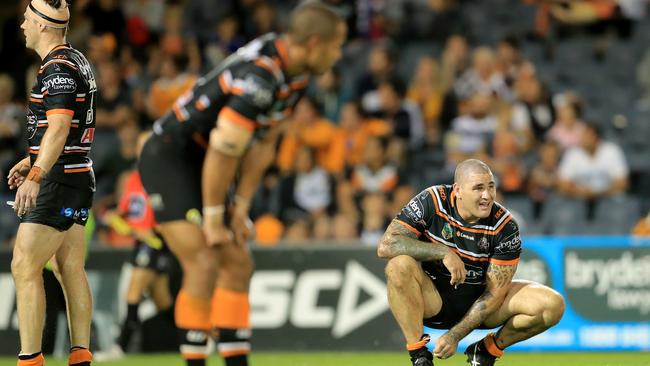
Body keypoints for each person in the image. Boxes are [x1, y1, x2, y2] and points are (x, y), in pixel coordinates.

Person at [138, 4, 346, 366]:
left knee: (238, 262)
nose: (338, 55)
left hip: (209, 160)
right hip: (170, 157)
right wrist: (216, 217)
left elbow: (264, 143)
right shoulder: (259, 77)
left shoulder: (293, 74)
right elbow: (224, 148)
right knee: (203, 261)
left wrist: (243, 207)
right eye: (336, 46)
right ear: (314, 43)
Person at [377, 159, 565, 366]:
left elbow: (495, 294)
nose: (487, 195)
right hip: (433, 300)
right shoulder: (432, 201)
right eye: (478, 188)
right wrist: (443, 252)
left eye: (491, 187)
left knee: (552, 305)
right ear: (458, 190)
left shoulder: (505, 226)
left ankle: (486, 350)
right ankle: (419, 355)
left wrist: (455, 336)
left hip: (480, 304)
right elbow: (386, 245)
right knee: (398, 265)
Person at [7, 0, 97, 365]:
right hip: (77, 175)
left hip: (58, 180)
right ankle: (81, 356)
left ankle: (30, 360)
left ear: (44, 26)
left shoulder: (56, 68)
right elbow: (70, 128)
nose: (24, 25)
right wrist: (31, 156)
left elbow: (59, 127)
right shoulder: (76, 60)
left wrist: (37, 173)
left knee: (23, 266)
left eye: (28, 20)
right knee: (68, 267)